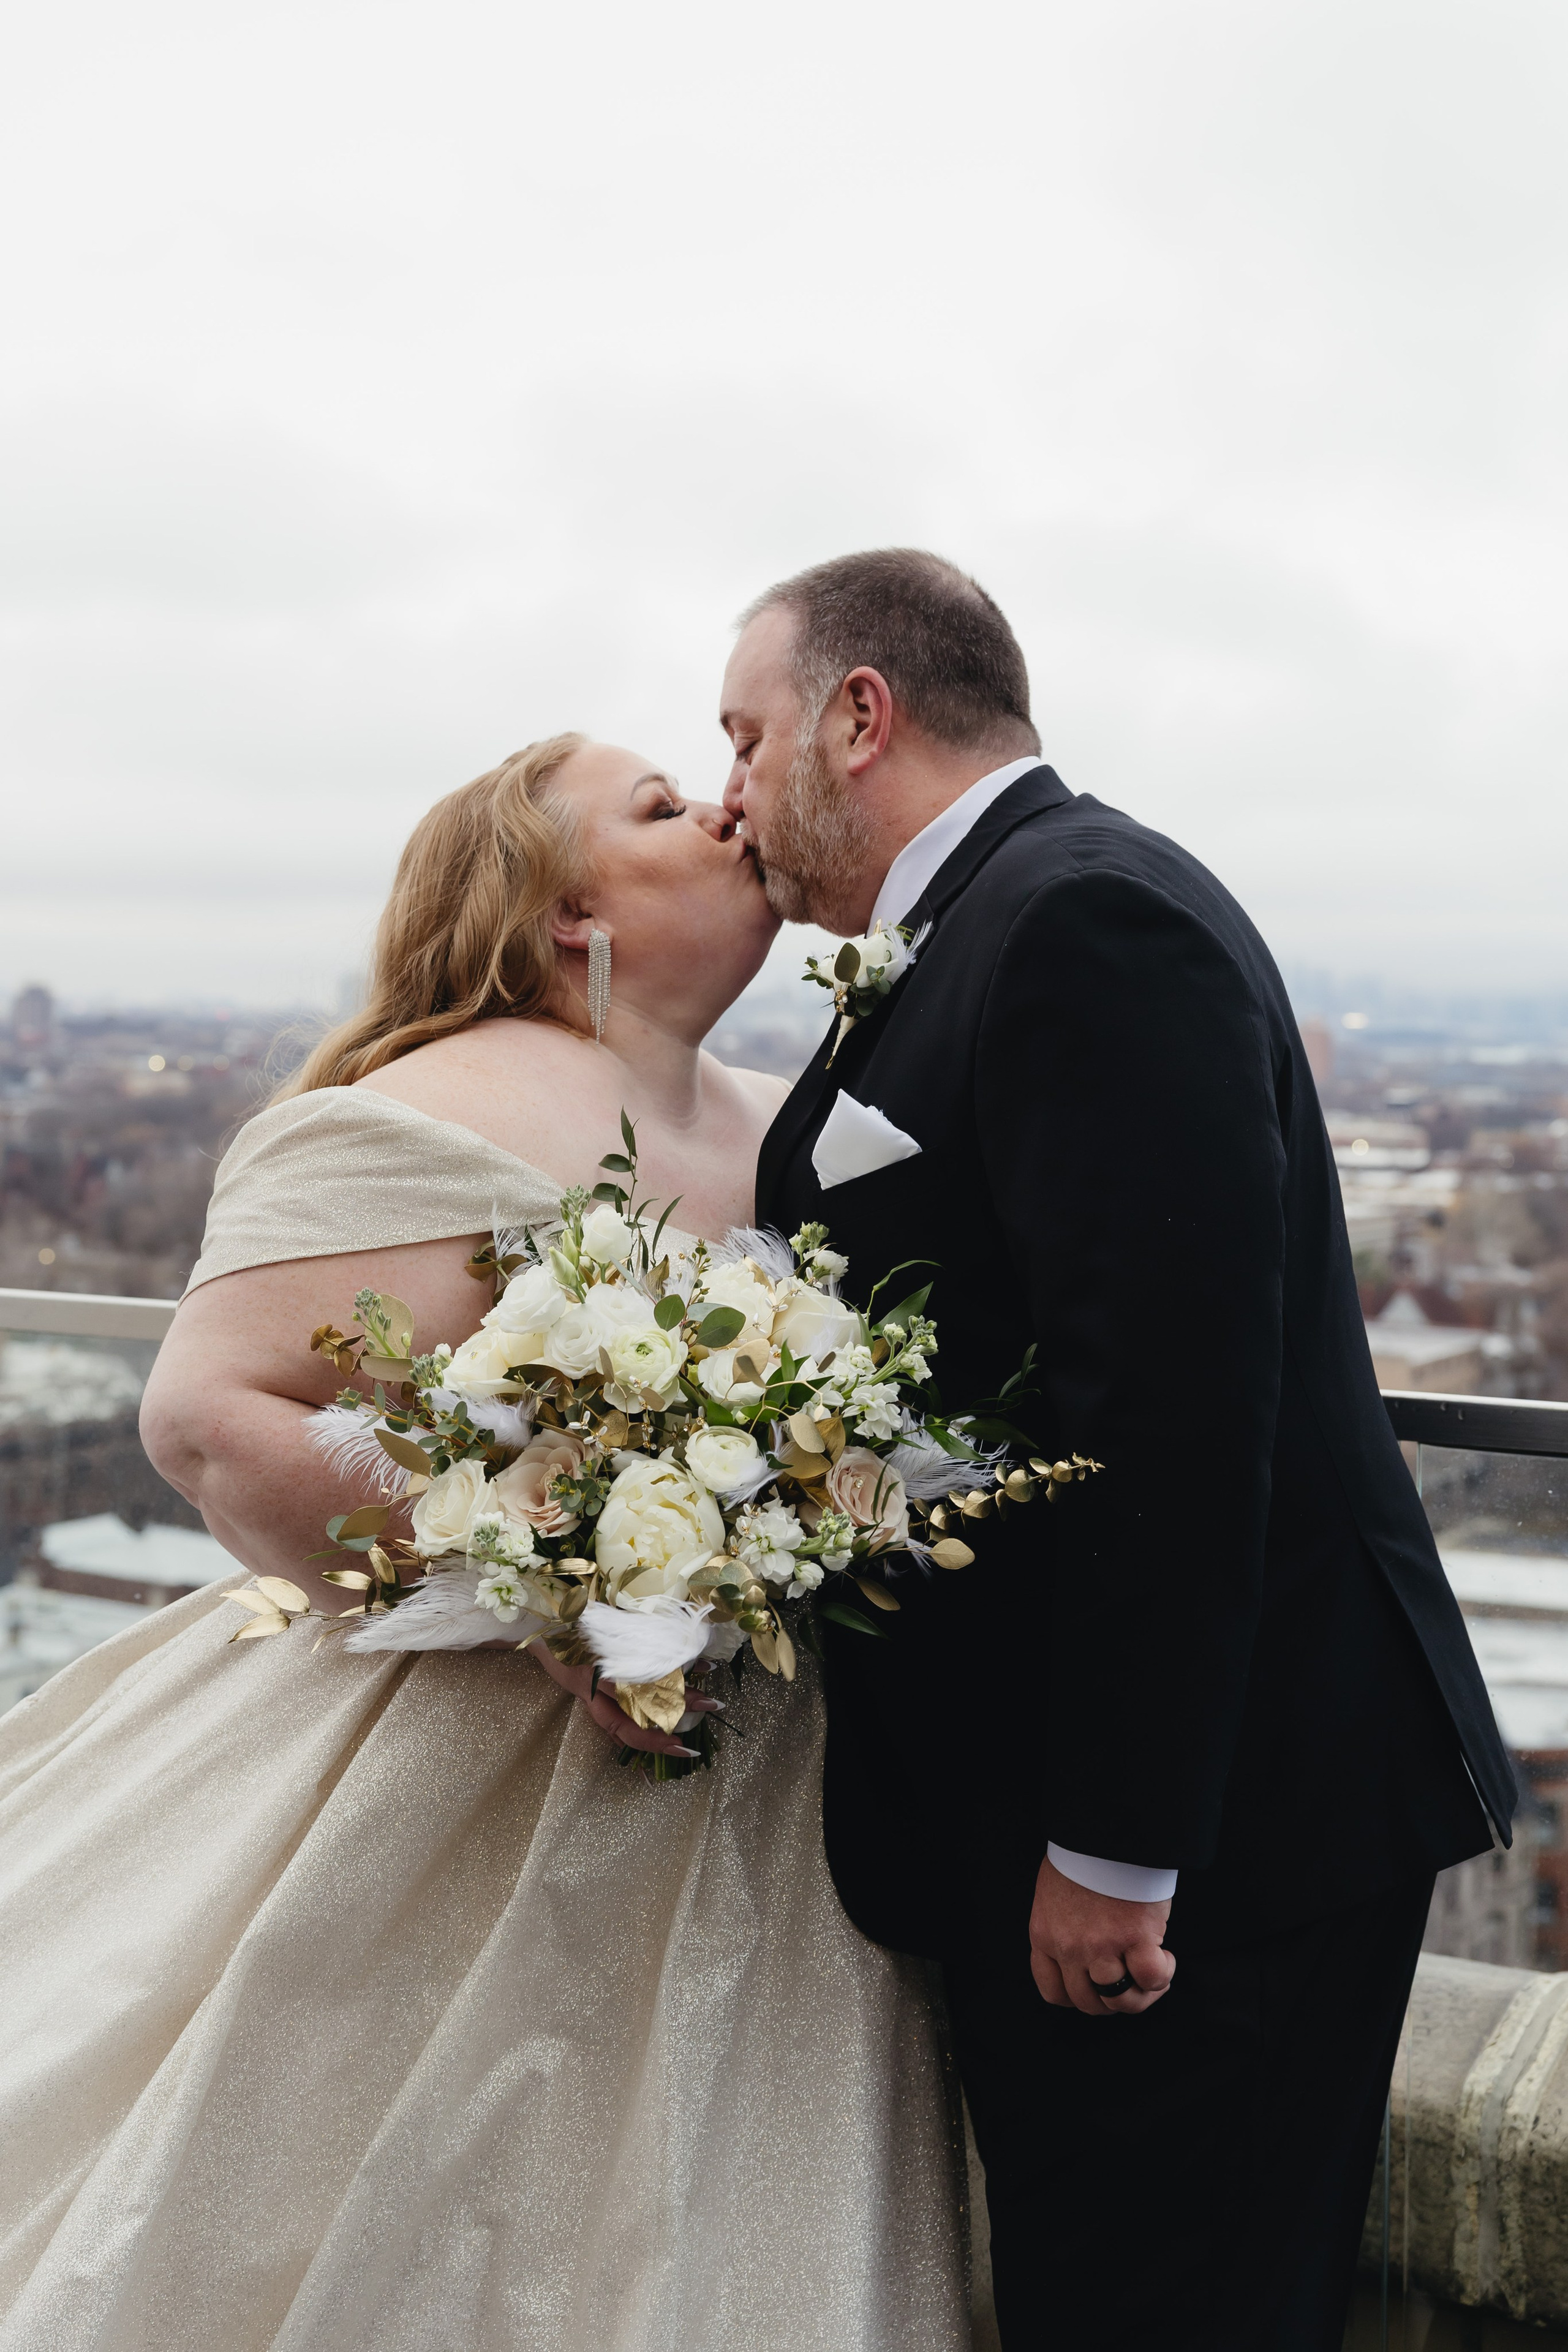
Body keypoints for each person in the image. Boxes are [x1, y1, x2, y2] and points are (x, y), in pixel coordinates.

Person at [0, 734, 970, 2352]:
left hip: (777, 1796)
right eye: (664, 806)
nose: (727, 806)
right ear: (566, 911)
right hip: (448, 1772)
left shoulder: (789, 1120)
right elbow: (210, 1415)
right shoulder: (429, 1105)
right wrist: (547, 1591)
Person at [722, 548, 1517, 2351]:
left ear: (861, 718)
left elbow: (1170, 1410)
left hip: (1217, 1854)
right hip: (1081, 1819)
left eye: (743, 733)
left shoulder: (1084, 918)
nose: (725, 791)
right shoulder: (987, 921)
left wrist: (1119, 1848)